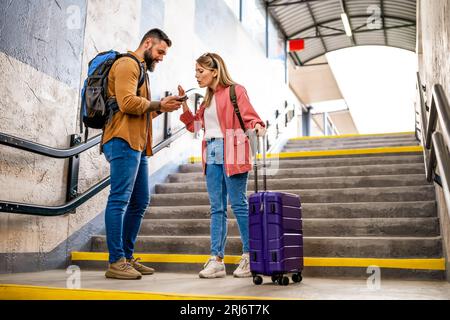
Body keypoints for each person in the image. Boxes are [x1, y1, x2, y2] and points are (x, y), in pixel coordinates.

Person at [102, 28, 183, 280]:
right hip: (122, 140)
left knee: (139, 202)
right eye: (160, 51)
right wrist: (159, 104)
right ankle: (116, 261)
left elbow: (140, 110)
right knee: (119, 199)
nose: (161, 57)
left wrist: (164, 105)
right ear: (148, 43)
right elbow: (127, 103)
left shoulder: (142, 71)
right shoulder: (127, 64)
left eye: (164, 54)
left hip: (137, 143)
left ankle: (126, 257)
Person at [179, 52, 266, 278]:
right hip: (212, 151)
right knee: (216, 208)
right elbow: (195, 128)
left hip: (234, 147)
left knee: (238, 204)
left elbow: (251, 117)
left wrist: (258, 126)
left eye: (201, 71)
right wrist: (184, 107)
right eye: (195, 71)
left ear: (215, 71)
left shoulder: (236, 91)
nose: (196, 76)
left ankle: (250, 256)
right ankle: (217, 260)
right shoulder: (206, 98)